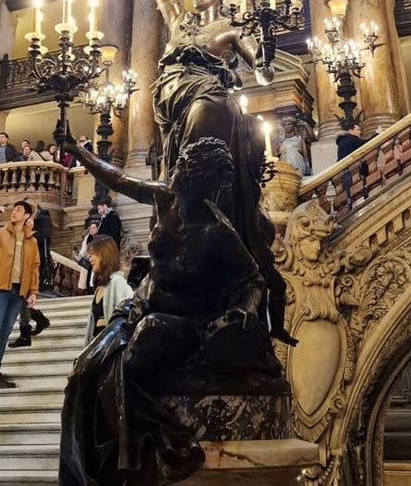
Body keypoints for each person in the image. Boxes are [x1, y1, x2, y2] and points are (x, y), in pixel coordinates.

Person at [59, 137, 283, 486]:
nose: (173, 172)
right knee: (84, 370)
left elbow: (253, 278)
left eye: (181, 168)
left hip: (185, 323)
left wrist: (247, 309)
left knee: (139, 348)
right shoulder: (166, 198)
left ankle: (152, 445)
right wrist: (78, 152)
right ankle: (86, 473)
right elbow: (117, 179)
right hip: (138, 307)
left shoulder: (217, 232)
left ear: (197, 180)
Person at [146, 0, 274, 277]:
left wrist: (265, 47)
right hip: (170, 95)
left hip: (205, 93)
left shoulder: (232, 29)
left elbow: (263, 72)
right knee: (177, 152)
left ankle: (193, 212)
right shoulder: (178, 20)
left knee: (209, 112)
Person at [0, 200, 39, 389]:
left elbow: (35, 267)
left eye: (19, 210)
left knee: (5, 332)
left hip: (19, 291)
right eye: (14, 210)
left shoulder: (31, 241)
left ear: (27, 216)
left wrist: (33, 291)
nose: (14, 213)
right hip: (0, 288)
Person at [8, 212, 51, 348]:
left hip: (27, 272)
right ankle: (38, 322)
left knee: (22, 301)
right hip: (20, 272)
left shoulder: (34, 232)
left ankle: (26, 333)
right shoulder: (32, 229)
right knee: (21, 302)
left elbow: (36, 256)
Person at [84, 236, 133, 345]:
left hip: (110, 346)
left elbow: (126, 319)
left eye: (93, 254)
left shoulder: (118, 282)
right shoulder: (99, 288)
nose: (90, 258)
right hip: (97, 345)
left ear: (104, 254)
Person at [76, 222, 99, 292]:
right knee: (87, 275)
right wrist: (80, 255)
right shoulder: (87, 238)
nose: (92, 230)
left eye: (94, 228)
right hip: (88, 259)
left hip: (97, 259)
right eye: (91, 228)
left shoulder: (100, 237)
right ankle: (88, 288)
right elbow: (84, 248)